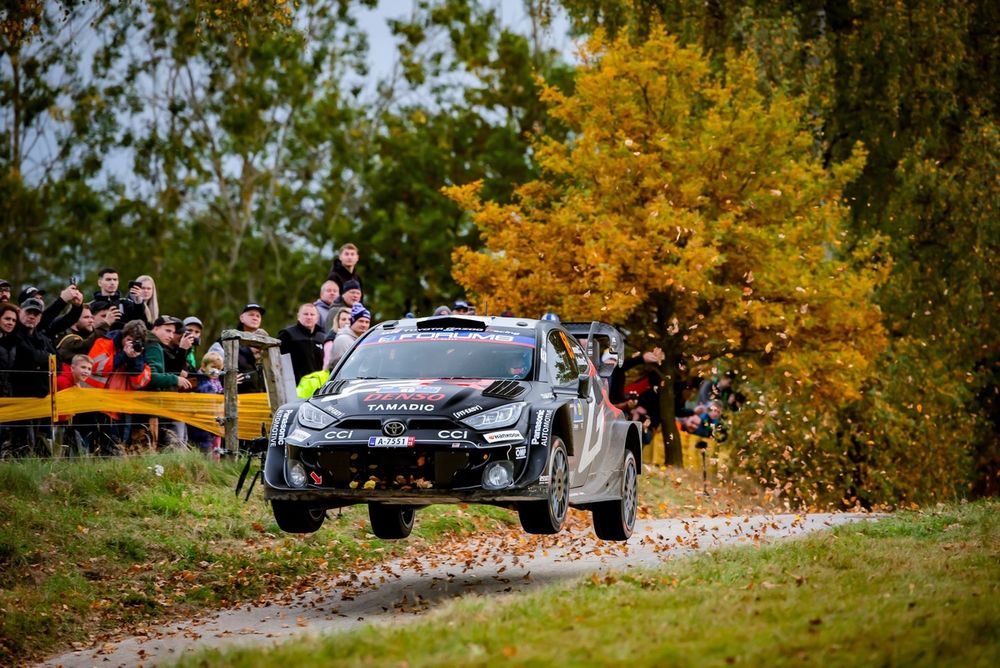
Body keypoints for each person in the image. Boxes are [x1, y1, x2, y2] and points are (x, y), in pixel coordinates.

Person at [278, 303, 325, 383]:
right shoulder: (287, 334)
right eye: (305, 314)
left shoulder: (322, 337)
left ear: (317, 318)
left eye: (312, 314)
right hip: (295, 386)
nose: (309, 317)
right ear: (298, 316)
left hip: (318, 386)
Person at [189, 352, 224, 454]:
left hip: (213, 422)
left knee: (214, 448)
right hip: (202, 424)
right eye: (213, 367)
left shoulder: (216, 383)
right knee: (205, 449)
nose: (216, 371)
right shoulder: (202, 383)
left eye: (219, 369)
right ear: (203, 367)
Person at [328, 303, 370, 370]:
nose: (364, 325)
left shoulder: (365, 339)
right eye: (361, 321)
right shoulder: (343, 339)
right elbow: (340, 368)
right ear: (352, 321)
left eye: (367, 322)